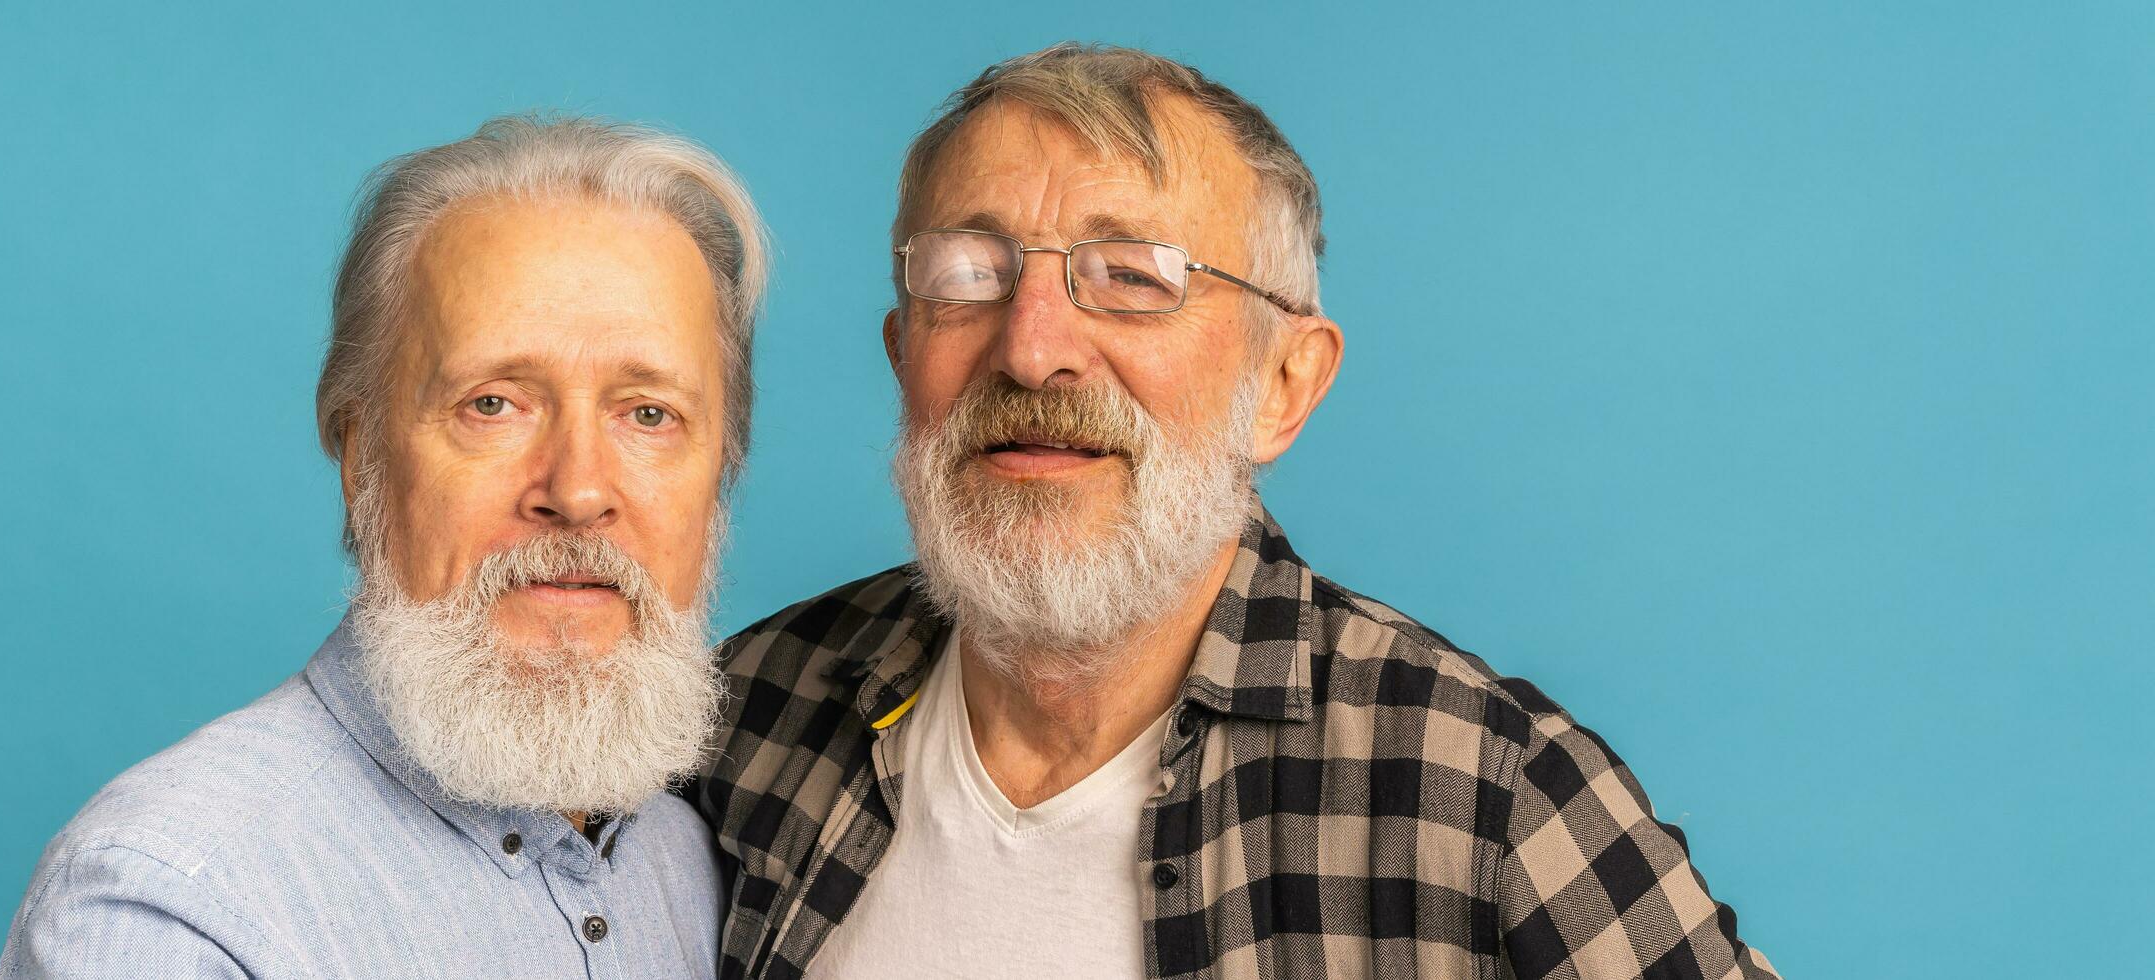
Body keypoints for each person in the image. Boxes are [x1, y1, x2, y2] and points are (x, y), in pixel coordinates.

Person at [693, 45, 1777, 979]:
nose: (1029, 348)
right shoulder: (742, 720)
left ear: (1285, 384)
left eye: (1129, 276)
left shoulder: (1489, 794)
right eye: (970, 275)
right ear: (901, 355)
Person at [0, 115, 767, 979]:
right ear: (362, 458)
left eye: (649, 414)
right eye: (493, 404)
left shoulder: (724, 853)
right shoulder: (172, 909)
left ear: (721, 470)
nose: (579, 490)